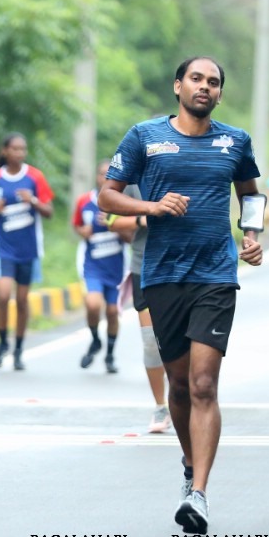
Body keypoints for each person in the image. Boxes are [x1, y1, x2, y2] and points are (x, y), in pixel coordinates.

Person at [99, 56, 262, 535]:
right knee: (178, 385)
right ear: (178, 86)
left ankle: (199, 494)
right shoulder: (144, 137)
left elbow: (250, 194)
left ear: (219, 93)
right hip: (163, 275)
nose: (205, 88)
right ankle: (190, 465)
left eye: (214, 82)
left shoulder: (235, 141)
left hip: (215, 274)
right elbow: (107, 197)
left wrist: (251, 235)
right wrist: (151, 206)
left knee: (204, 383)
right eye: (197, 79)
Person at [0, 132, 54, 370]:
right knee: (3, 295)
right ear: (5, 151)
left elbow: (49, 211)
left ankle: (18, 349)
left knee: (22, 300)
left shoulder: (35, 176)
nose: (19, 153)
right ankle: (3, 342)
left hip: (29, 248)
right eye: (15, 149)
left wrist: (32, 201)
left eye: (23, 149)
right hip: (3, 247)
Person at [107, 185, 172, 433]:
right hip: (143, 265)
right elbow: (111, 220)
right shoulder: (132, 182)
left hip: (181, 265)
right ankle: (160, 406)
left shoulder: (182, 169)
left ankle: (185, 398)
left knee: (181, 340)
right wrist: (143, 217)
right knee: (150, 342)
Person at [73, 160, 126, 374]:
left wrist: (115, 226)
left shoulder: (122, 202)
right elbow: (76, 226)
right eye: (101, 174)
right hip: (92, 264)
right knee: (93, 304)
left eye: (108, 174)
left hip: (116, 266)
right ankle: (96, 340)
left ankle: (110, 355)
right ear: (96, 176)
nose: (104, 178)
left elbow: (130, 236)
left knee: (113, 311)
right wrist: (82, 231)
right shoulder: (84, 201)